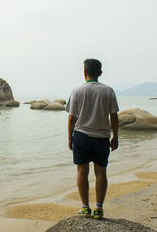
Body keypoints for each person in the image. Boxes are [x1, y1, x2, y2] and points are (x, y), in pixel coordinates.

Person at [66, 58, 119, 219]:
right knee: (101, 172)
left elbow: (71, 118)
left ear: (85, 72)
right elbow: (114, 116)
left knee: (82, 171)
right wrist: (115, 136)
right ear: (100, 73)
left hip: (81, 136)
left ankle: (85, 207)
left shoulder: (77, 90)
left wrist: (70, 137)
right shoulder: (108, 91)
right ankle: (99, 208)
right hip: (102, 137)